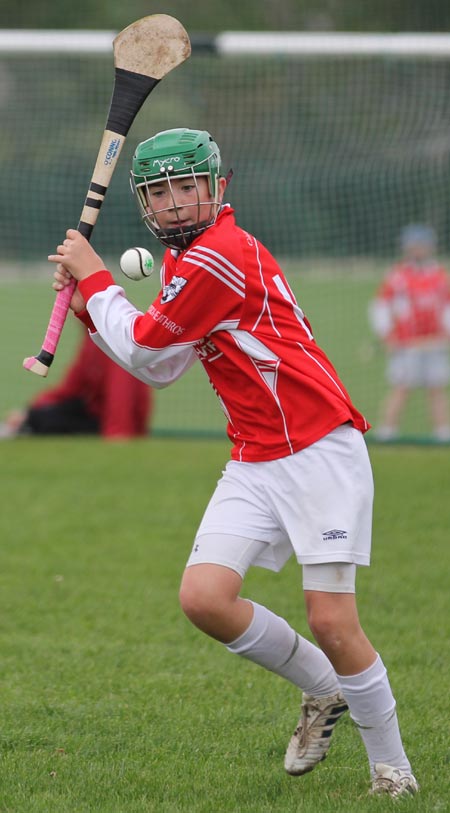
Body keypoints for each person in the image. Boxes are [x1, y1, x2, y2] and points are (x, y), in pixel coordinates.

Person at [48, 128, 418, 798]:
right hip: (256, 456)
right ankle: (322, 687)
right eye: (159, 192)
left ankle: (393, 772)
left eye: (186, 186)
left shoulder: (218, 254)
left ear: (217, 186)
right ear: (145, 203)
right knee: (205, 598)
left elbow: (144, 349)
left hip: (319, 449)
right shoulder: (188, 261)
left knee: (333, 620)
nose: (175, 203)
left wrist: (94, 273)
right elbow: (160, 365)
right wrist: (87, 302)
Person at [369, 224, 450, 441]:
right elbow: (381, 306)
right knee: (401, 387)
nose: (418, 250)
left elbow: (447, 305)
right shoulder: (398, 276)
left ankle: (443, 432)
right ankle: (388, 431)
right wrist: (387, 334)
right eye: (414, 246)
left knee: (436, 387)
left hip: (434, 342)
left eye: (422, 246)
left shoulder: (440, 275)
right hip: (407, 344)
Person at [1, 328, 152, 439]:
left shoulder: (117, 340)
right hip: (94, 414)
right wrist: (28, 413)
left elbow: (121, 398)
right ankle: (23, 427)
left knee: (46, 422)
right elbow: (71, 388)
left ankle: (23, 431)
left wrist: (118, 434)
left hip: (113, 425)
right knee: (41, 416)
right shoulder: (93, 339)